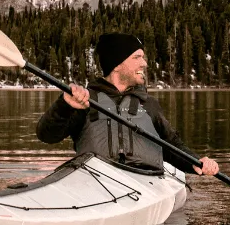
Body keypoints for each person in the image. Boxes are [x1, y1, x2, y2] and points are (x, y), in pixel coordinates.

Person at [35, 32, 220, 177]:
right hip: (94, 179)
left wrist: (195, 161)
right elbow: (47, 136)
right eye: (137, 57)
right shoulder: (84, 100)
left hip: (146, 180)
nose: (145, 64)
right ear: (116, 65)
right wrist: (64, 106)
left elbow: (171, 145)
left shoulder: (149, 104)